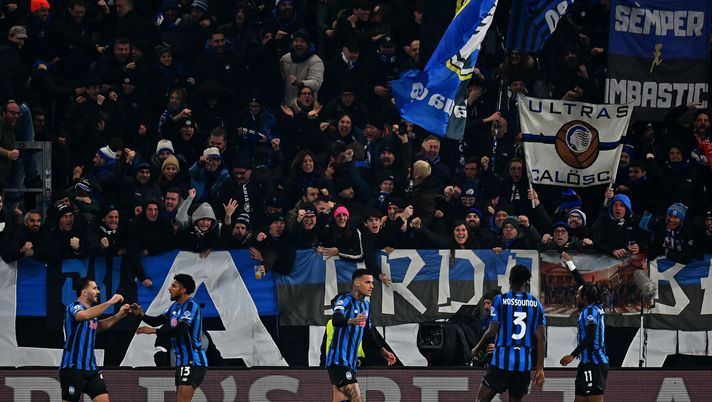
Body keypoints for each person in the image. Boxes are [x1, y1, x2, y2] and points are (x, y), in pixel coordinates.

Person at [470, 265, 546, 402]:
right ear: (526, 282)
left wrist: (476, 348)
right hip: (523, 366)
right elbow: (542, 339)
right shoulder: (536, 304)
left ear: (510, 279)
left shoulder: (500, 300)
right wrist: (540, 369)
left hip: (501, 363)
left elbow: (492, 331)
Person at [131, 274, 207, 402]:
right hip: (181, 362)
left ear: (183, 290)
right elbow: (156, 321)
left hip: (193, 361)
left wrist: (153, 331)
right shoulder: (175, 307)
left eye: (174, 286)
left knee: (183, 400)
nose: (169, 289)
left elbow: (180, 330)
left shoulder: (191, 306)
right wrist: (141, 315)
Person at [325, 269, 396, 402]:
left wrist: (381, 349)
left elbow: (368, 332)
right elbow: (336, 320)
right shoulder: (345, 300)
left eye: (372, 283)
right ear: (357, 283)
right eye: (367, 282)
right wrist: (352, 320)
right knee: (356, 398)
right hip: (338, 361)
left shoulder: (366, 305)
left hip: (351, 363)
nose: (372, 286)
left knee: (342, 399)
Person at [60, 277, 130, 402]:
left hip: (91, 369)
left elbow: (98, 327)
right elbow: (83, 316)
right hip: (73, 368)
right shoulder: (73, 307)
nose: (98, 291)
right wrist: (111, 302)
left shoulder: (92, 313)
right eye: (94, 288)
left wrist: (118, 316)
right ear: (84, 292)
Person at [560, 252, 609, 401]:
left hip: (594, 363)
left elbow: (591, 336)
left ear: (585, 297)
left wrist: (572, 355)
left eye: (578, 294)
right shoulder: (596, 305)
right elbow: (582, 283)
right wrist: (570, 264)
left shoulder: (590, 311)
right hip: (586, 363)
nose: (576, 295)